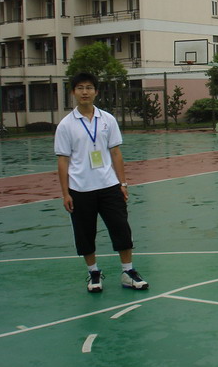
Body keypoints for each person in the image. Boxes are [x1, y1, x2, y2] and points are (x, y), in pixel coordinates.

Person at [54, 73, 148, 293]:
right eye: (79, 88)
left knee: (121, 229)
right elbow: (63, 160)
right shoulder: (66, 125)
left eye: (88, 87)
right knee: (85, 233)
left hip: (109, 186)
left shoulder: (107, 119)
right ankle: (94, 273)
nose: (84, 92)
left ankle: (128, 271)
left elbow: (116, 153)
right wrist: (65, 193)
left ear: (96, 91)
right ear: (73, 92)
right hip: (80, 188)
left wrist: (122, 183)